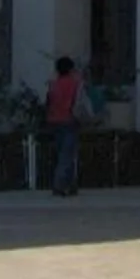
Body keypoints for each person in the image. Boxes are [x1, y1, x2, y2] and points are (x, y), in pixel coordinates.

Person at [44, 55, 86, 196]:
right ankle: (60, 184)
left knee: (62, 152)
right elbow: (79, 102)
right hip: (69, 119)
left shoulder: (53, 84)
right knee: (67, 154)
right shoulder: (75, 83)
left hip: (54, 120)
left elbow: (48, 102)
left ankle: (70, 183)